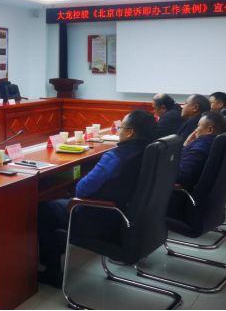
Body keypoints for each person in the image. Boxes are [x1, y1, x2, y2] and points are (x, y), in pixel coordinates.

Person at [37, 109, 157, 288]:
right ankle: (60, 245)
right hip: (123, 216)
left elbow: (81, 189)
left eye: (121, 128)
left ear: (130, 132)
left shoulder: (115, 157)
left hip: (95, 220)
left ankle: (52, 271)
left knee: (43, 209)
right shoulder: (150, 153)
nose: (119, 132)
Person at [178, 111, 226, 191]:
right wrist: (187, 143)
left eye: (198, 126)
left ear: (210, 129)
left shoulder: (201, 146)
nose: (195, 130)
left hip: (180, 192)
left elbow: (181, 175)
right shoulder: (220, 142)